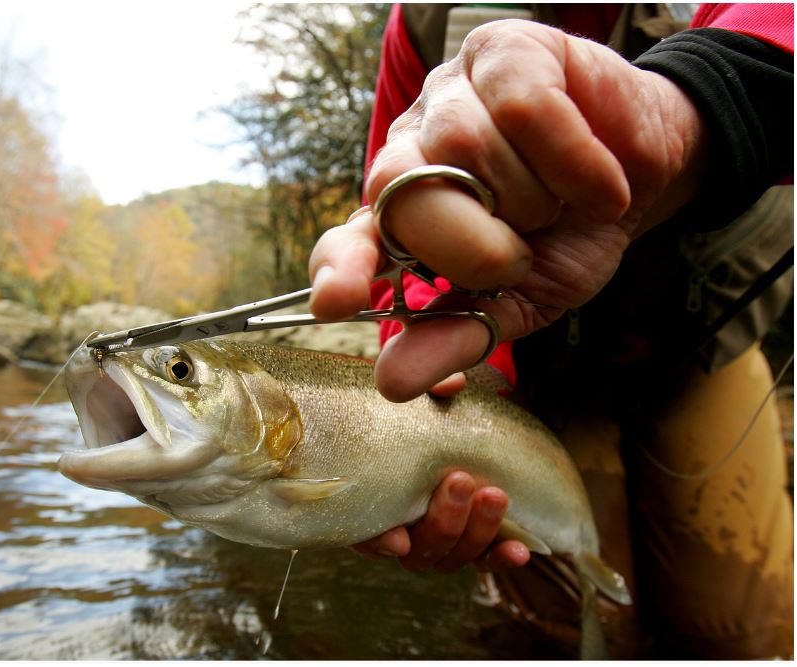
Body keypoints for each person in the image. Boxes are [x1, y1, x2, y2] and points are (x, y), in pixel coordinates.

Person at [308, 3, 793, 659]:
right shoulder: (421, 21)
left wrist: (689, 104)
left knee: (734, 631)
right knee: (564, 632)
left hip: (701, 350)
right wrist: (468, 389)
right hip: (531, 375)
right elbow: (398, 232)